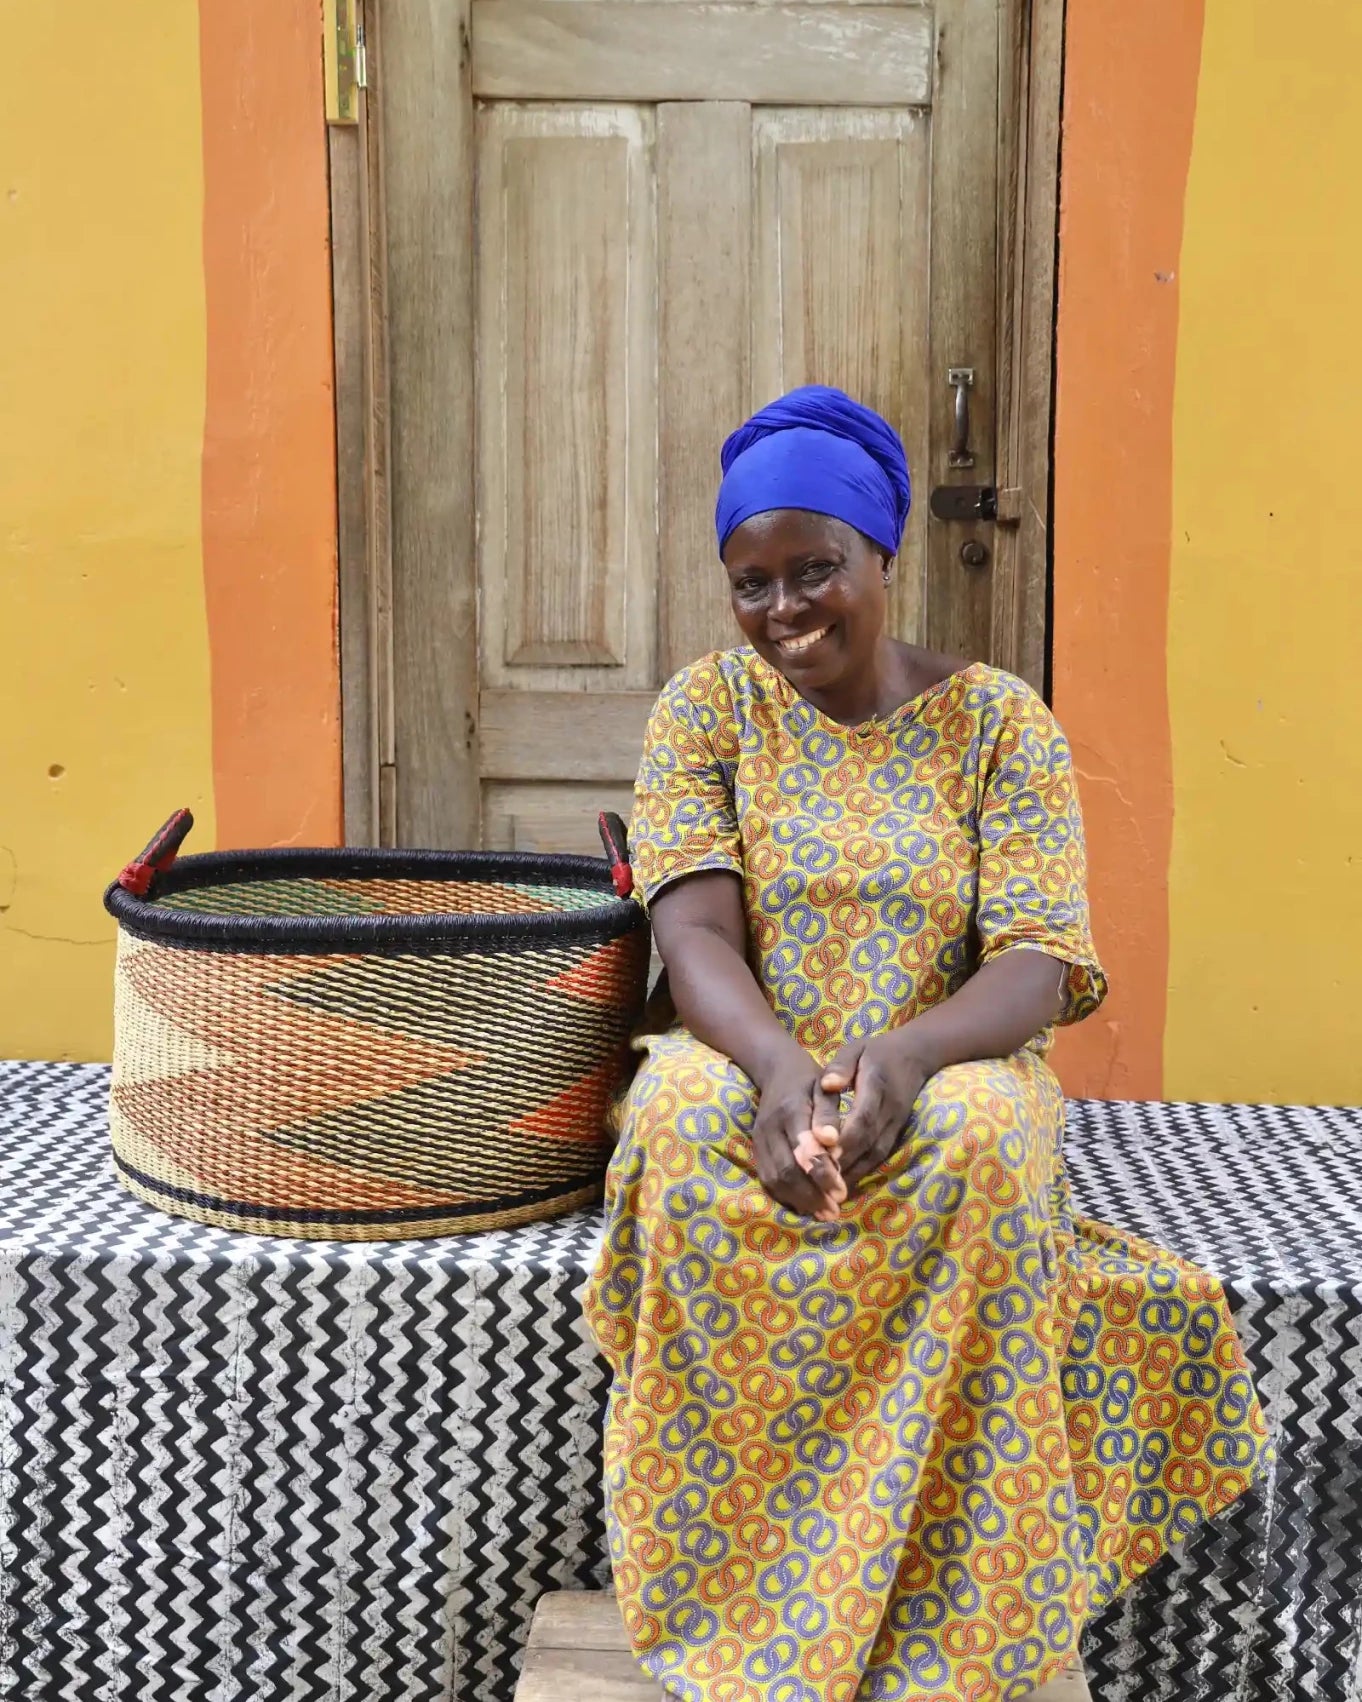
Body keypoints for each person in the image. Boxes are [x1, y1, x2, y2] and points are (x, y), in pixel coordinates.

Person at [584, 386, 1269, 1702]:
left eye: (815, 570)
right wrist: (783, 1070)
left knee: (979, 1143)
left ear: (881, 556)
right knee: (670, 1123)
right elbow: (696, 935)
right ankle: (735, 1596)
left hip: (951, 1063)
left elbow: (1034, 958)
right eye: (751, 583)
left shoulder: (996, 722)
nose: (784, 611)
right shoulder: (705, 712)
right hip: (747, 1055)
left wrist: (897, 1061)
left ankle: (949, 1615)